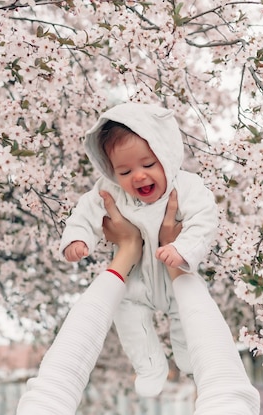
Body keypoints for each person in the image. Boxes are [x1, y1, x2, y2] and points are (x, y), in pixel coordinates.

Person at [15, 191, 260, 415]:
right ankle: (152, 366)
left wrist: (128, 250)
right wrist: (176, 259)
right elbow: (227, 390)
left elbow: (50, 396)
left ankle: (162, 362)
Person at [59, 102, 218, 397]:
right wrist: (78, 239)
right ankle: (148, 365)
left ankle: (188, 358)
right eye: (125, 170)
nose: (139, 176)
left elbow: (205, 218)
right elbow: (86, 213)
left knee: (186, 314)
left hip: (176, 274)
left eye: (148, 165)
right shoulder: (110, 191)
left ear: (166, 156)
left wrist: (183, 248)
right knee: (127, 313)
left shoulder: (185, 186)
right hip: (136, 281)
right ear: (110, 171)